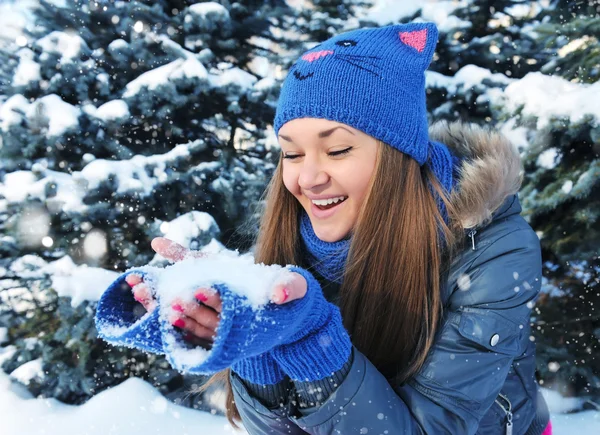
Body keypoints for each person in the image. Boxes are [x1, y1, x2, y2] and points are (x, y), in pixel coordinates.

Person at [102, 22, 552, 434]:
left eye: (337, 150)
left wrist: (314, 343)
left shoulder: (491, 250)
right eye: (291, 154)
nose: (307, 178)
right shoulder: (293, 240)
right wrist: (255, 340)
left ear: (398, 157)